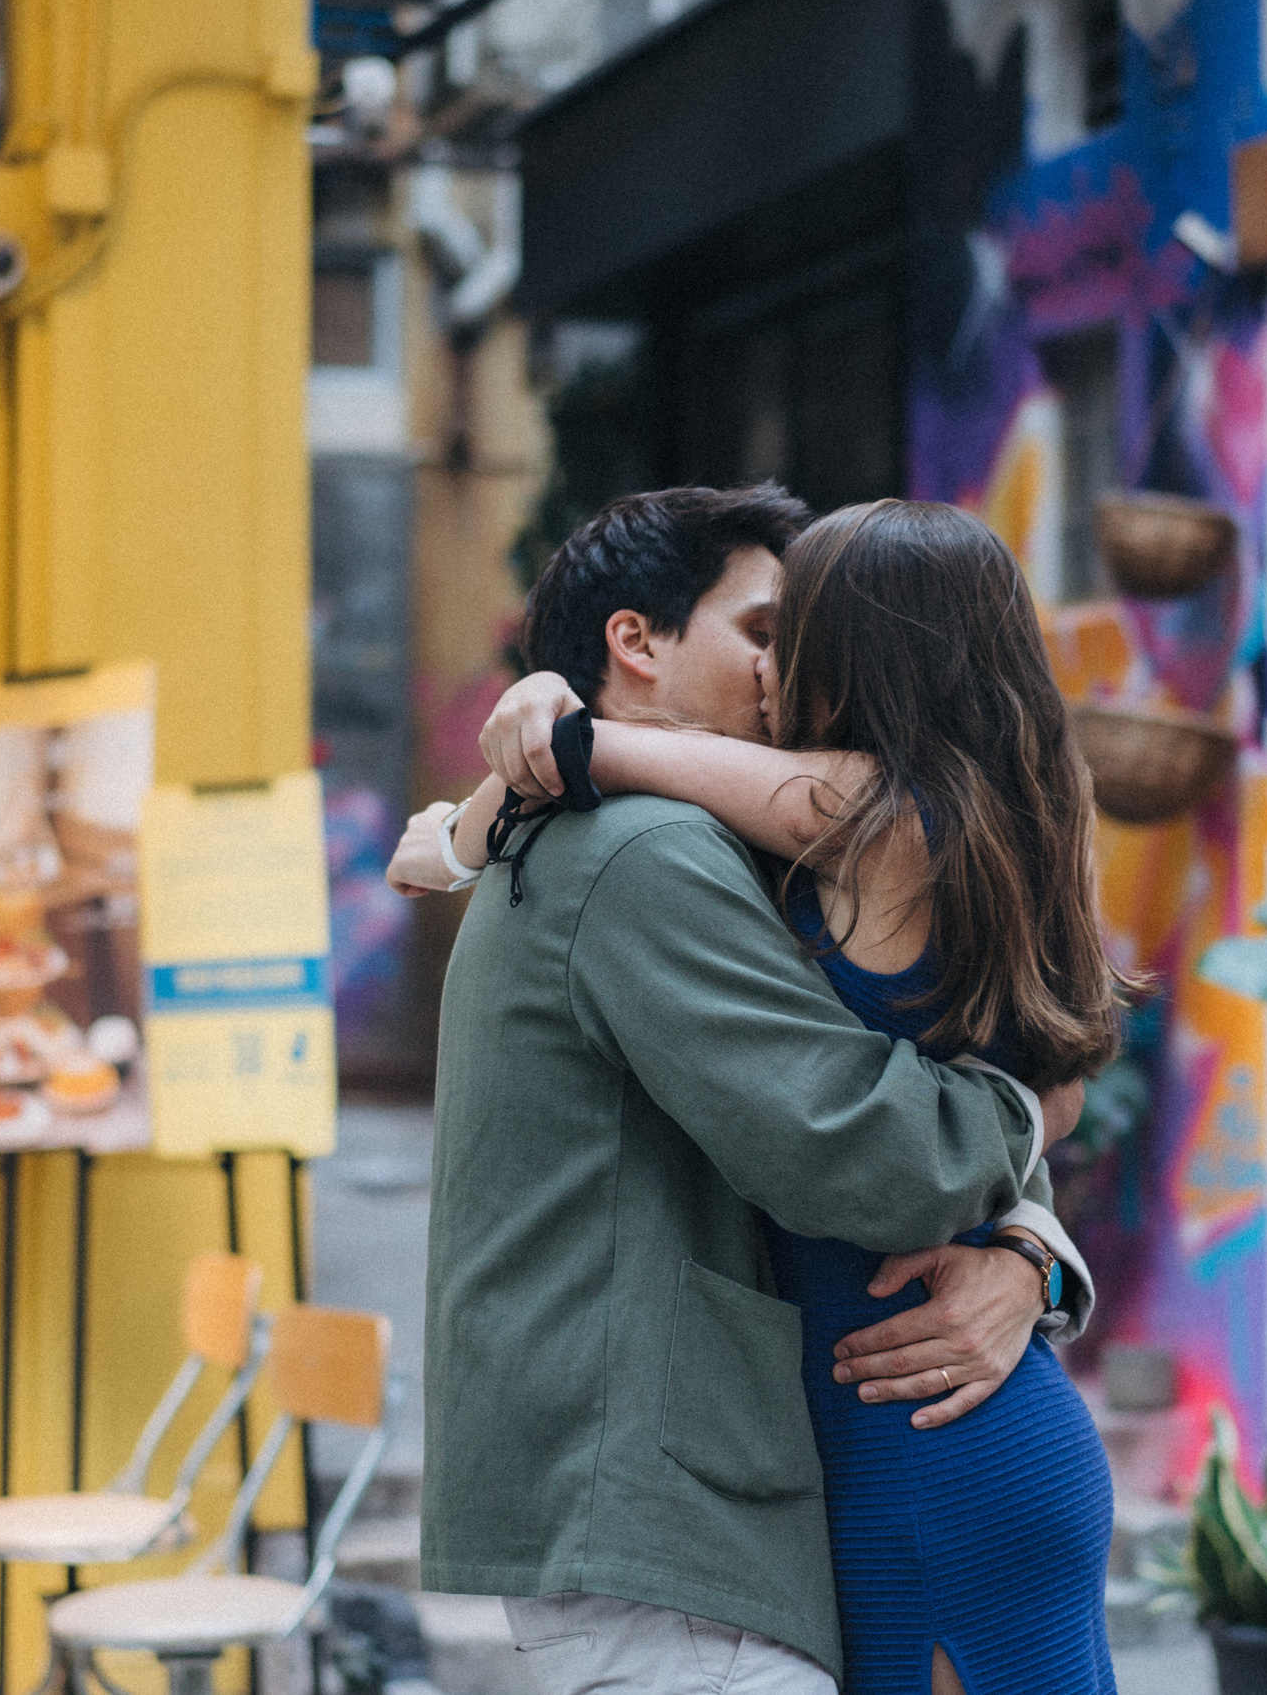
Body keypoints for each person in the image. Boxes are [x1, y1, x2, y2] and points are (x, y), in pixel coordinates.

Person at [405, 485, 1093, 1695]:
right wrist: (1028, 1127)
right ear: (636, 644)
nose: (789, 670)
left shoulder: (765, 838)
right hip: (672, 1515)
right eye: (766, 632)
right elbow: (882, 1155)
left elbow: (947, 1087)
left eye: (806, 637)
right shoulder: (644, 854)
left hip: (846, 1458)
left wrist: (1028, 1253)